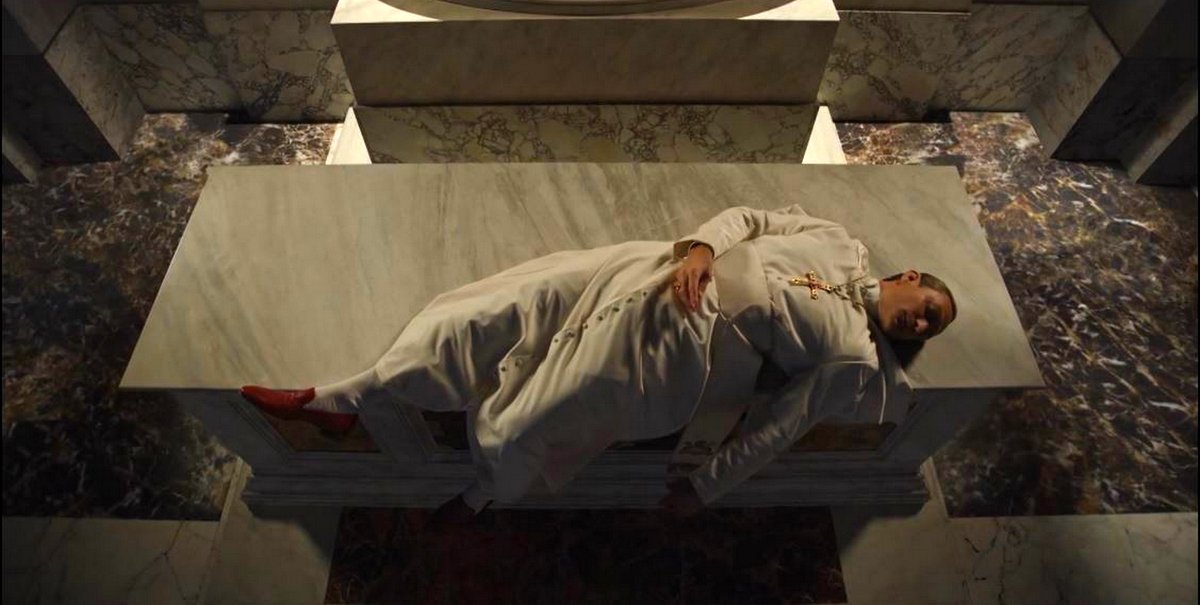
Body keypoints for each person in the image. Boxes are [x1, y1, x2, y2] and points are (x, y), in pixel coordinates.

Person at [241, 205, 956, 519]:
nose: (921, 322)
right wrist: (700, 249)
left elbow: (780, 429)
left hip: (680, 354)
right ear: (909, 275)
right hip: (650, 272)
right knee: (501, 305)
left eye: (930, 327)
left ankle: (483, 494)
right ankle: (345, 396)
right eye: (929, 305)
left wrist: (706, 489)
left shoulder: (855, 358)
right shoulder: (835, 240)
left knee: (543, 410)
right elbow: (751, 218)